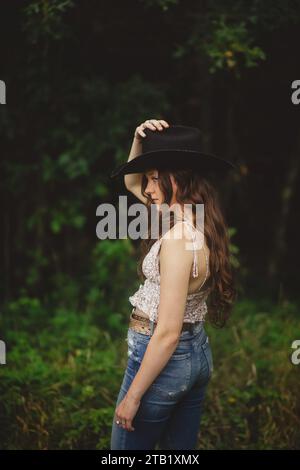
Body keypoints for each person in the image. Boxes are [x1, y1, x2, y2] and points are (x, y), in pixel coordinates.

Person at [109, 119, 237, 450]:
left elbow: (167, 332)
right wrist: (138, 138)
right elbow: (130, 182)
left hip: (164, 359)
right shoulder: (197, 219)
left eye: (155, 179)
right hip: (195, 357)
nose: (148, 189)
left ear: (176, 180)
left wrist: (132, 398)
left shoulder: (180, 240)